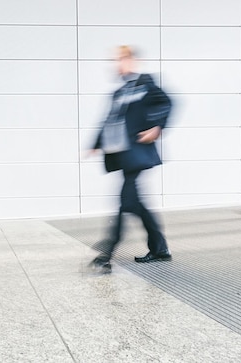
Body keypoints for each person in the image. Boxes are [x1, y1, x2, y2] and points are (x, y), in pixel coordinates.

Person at [88, 45, 173, 274]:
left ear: (132, 61)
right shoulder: (118, 93)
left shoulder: (145, 83)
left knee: (125, 201)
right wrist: (95, 144)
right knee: (135, 204)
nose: (118, 64)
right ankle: (160, 249)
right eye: (116, 60)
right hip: (122, 155)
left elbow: (167, 103)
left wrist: (157, 127)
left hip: (137, 153)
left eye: (122, 59)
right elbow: (108, 120)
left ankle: (106, 254)